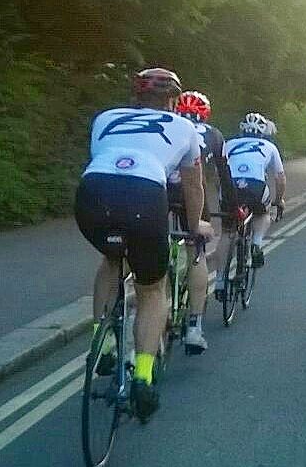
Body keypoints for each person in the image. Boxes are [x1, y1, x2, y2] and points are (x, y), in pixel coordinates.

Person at [74, 68, 211, 420]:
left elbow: (102, 158)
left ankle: (101, 342)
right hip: (145, 197)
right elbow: (193, 187)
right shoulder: (184, 128)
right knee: (152, 290)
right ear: (174, 100)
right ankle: (144, 375)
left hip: (93, 194)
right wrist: (195, 226)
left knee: (111, 260)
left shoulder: (105, 117)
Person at [174, 90, 229, 354]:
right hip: (193, 196)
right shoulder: (214, 135)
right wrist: (233, 209)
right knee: (197, 255)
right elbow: (223, 175)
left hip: (158, 195)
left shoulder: (167, 124)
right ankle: (194, 326)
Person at [222, 112, 286, 270]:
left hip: (231, 185)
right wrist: (279, 200)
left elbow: (219, 171)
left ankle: (220, 281)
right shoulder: (270, 147)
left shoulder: (228, 143)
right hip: (256, 186)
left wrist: (221, 192)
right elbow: (280, 177)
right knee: (263, 214)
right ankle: (256, 243)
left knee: (226, 232)